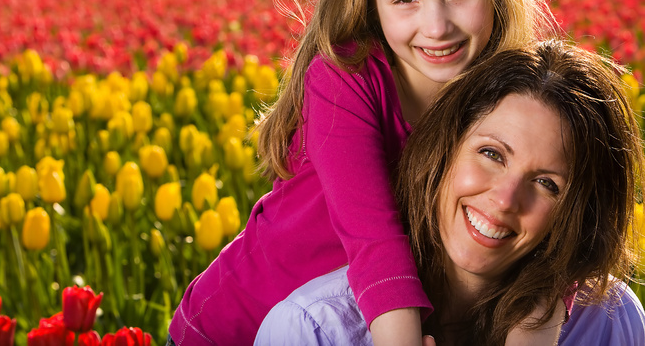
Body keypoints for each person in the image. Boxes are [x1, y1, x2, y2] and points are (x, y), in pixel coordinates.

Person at [167, 0, 557, 343]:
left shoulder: (510, 92)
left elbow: (568, 214)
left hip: (358, 324)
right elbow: (373, 237)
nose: (436, 26)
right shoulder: (343, 78)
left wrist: (539, 316)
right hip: (243, 322)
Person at [255, 40, 645, 345]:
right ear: (445, 148)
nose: (506, 199)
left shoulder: (610, 321)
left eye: (547, 183)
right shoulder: (314, 331)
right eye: (491, 154)